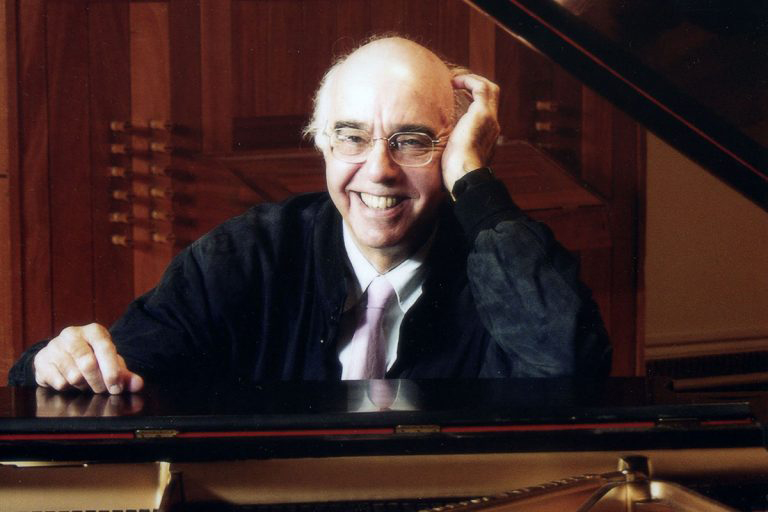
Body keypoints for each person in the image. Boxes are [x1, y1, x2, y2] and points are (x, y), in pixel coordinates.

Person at [9, 36, 611, 394]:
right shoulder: (249, 254)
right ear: (321, 144)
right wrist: (59, 362)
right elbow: (118, 375)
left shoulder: (502, 261)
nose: (379, 170)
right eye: (351, 138)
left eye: (412, 140)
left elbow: (574, 374)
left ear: (455, 148)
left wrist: (472, 182)